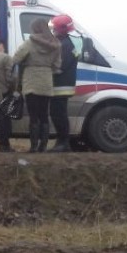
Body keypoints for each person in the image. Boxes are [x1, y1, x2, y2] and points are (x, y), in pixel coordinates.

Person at [11, 18, 61, 152]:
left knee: (33, 116)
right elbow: (57, 66)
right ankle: (43, 147)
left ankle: (33, 147)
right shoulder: (56, 44)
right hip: (46, 80)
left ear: (35, 29)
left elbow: (16, 58)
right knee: (44, 115)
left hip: (31, 80)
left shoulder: (29, 43)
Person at [48, 14, 79, 152]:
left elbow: (60, 66)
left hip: (61, 85)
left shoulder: (66, 45)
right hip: (62, 85)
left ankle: (63, 143)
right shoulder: (68, 43)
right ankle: (62, 142)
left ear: (62, 29)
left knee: (58, 114)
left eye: (54, 28)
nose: (53, 31)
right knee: (57, 113)